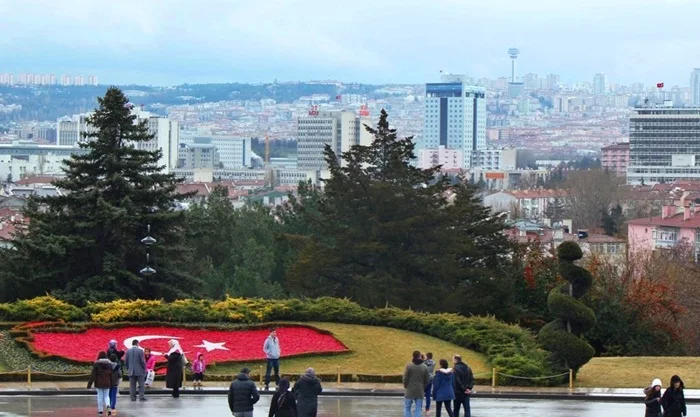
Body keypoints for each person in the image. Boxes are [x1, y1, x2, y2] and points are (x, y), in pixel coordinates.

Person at [403, 351, 430, 417]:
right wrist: (423, 388)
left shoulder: (409, 366)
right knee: (418, 409)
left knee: (407, 408)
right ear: (419, 356)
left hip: (410, 390)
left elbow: (405, 378)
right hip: (420, 390)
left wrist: (405, 386)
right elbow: (427, 380)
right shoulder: (424, 367)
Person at [87, 351, 113, 416]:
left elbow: (93, 375)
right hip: (107, 382)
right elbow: (111, 375)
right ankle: (108, 405)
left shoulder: (96, 364)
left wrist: (89, 384)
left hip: (99, 383)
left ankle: (100, 411)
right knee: (106, 396)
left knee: (100, 396)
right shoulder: (110, 364)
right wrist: (112, 383)